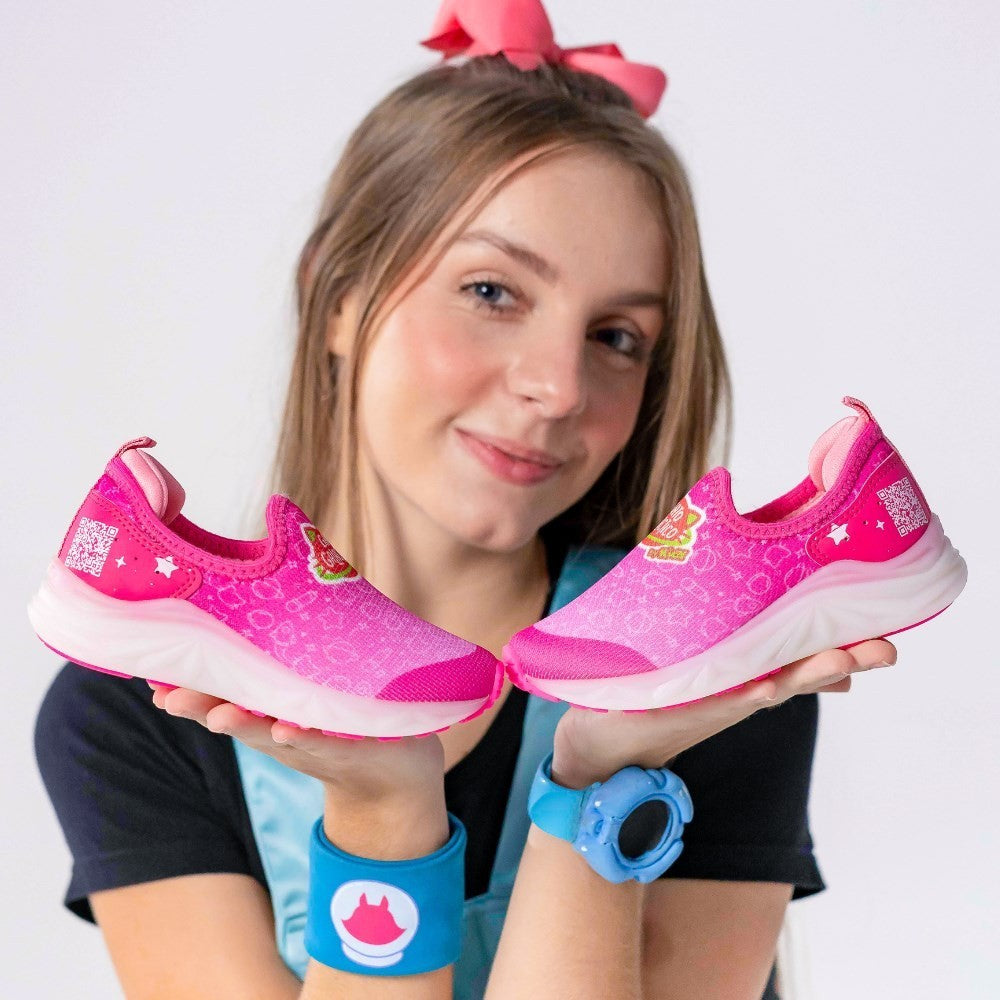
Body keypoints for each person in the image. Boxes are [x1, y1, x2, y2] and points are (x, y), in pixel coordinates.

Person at [33, 2, 897, 997]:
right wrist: (383, 814)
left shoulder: (714, 674)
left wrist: (600, 777)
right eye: (492, 291)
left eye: (616, 337)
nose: (558, 387)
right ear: (340, 295)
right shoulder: (140, 710)